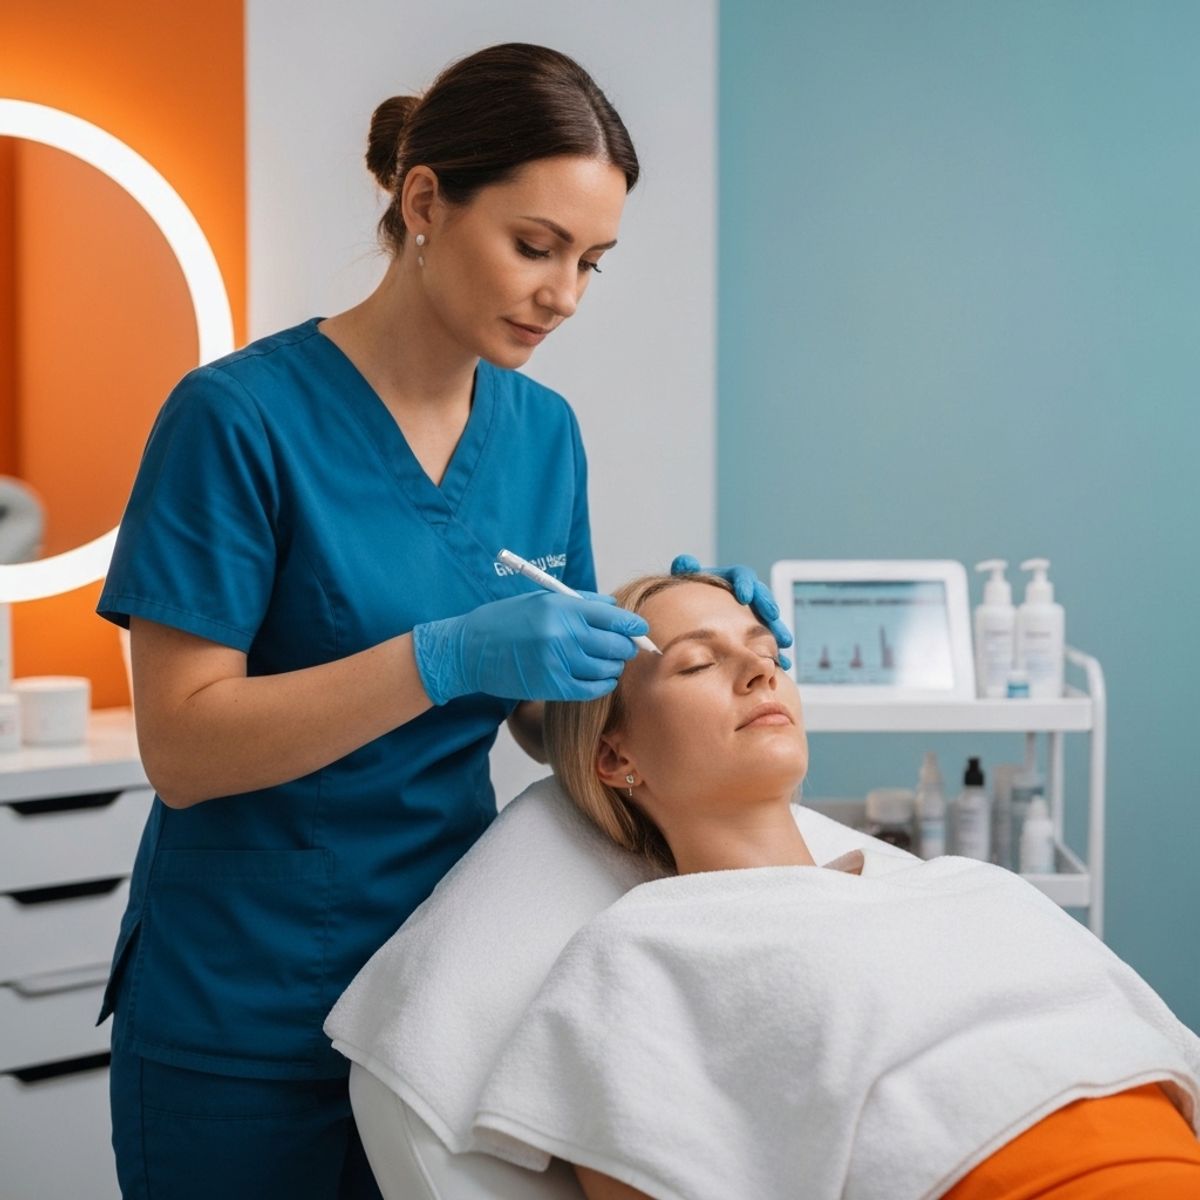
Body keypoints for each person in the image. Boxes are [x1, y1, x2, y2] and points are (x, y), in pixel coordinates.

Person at [94, 44, 787, 1200]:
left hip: (441, 992)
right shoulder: (235, 420)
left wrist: (686, 640)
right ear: (424, 203)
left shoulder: (540, 432)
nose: (562, 294)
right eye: (535, 246)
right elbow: (183, 749)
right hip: (242, 1012)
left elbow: (532, 711)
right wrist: (444, 652)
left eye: (591, 263)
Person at [505, 572, 1200, 1200]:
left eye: (768, 653)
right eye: (697, 661)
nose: (758, 671)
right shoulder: (640, 952)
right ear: (615, 755)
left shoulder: (968, 886)